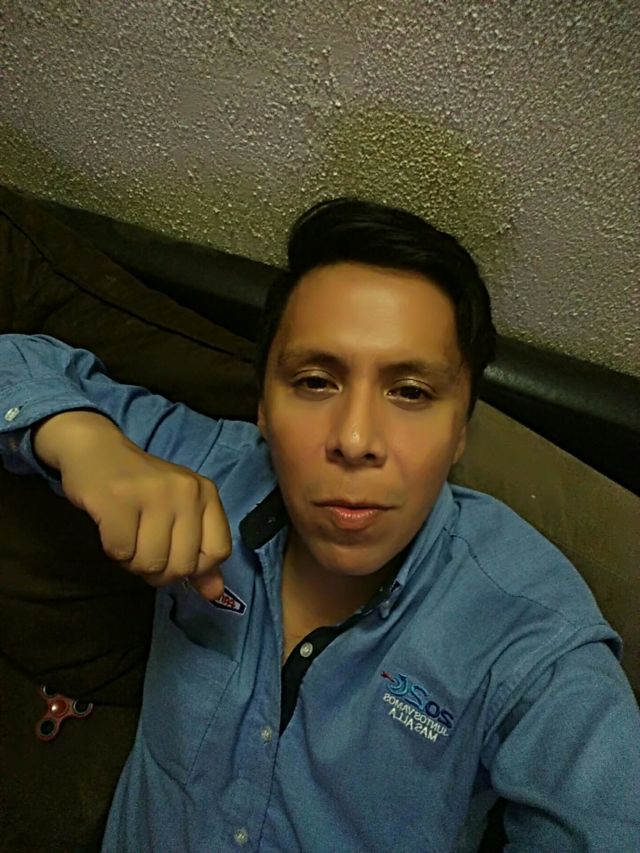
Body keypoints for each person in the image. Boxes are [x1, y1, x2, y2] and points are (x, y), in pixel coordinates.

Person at [0, 198, 638, 852]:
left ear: (460, 432)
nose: (355, 440)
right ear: (263, 406)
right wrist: (83, 442)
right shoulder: (209, 466)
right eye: (314, 381)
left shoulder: (526, 632)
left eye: (410, 392)